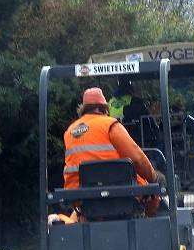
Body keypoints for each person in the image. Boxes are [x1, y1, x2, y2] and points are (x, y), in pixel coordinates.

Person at [63, 87, 161, 216]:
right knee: (153, 188)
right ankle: (150, 222)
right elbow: (137, 159)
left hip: (82, 198)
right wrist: (153, 178)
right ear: (104, 108)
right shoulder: (110, 125)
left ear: (83, 109)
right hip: (120, 195)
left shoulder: (69, 131)